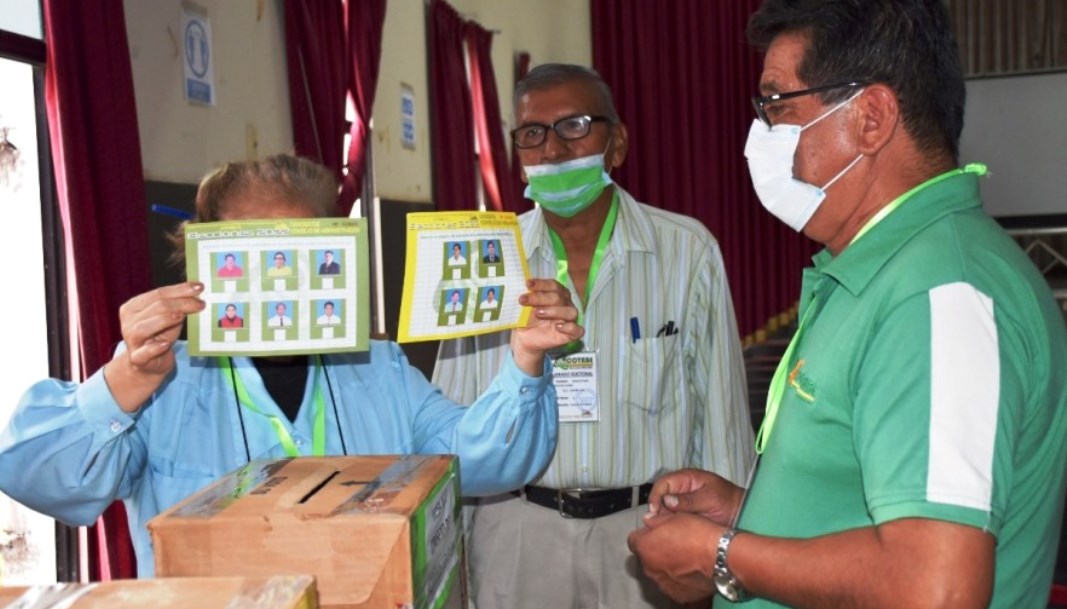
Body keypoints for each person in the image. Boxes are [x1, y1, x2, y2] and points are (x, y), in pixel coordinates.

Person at [627, 2, 1067, 609]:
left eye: (779, 108)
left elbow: (936, 588)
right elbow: (874, 501)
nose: (762, 138)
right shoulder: (883, 269)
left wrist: (720, 554)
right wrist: (748, 513)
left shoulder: (937, 297)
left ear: (871, 117)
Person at [0, 154, 583, 577]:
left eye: (310, 254)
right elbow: (38, 480)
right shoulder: (160, 383)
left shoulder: (379, 369)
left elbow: (478, 463)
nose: (281, 282)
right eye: (247, 257)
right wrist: (123, 381)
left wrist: (526, 360)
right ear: (201, 259)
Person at [433, 64, 753, 609]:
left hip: (644, 533)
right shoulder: (487, 259)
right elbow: (449, 425)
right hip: (515, 534)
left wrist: (725, 552)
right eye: (533, 133)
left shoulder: (687, 251)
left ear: (617, 143)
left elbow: (721, 422)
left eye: (575, 126)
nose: (554, 150)